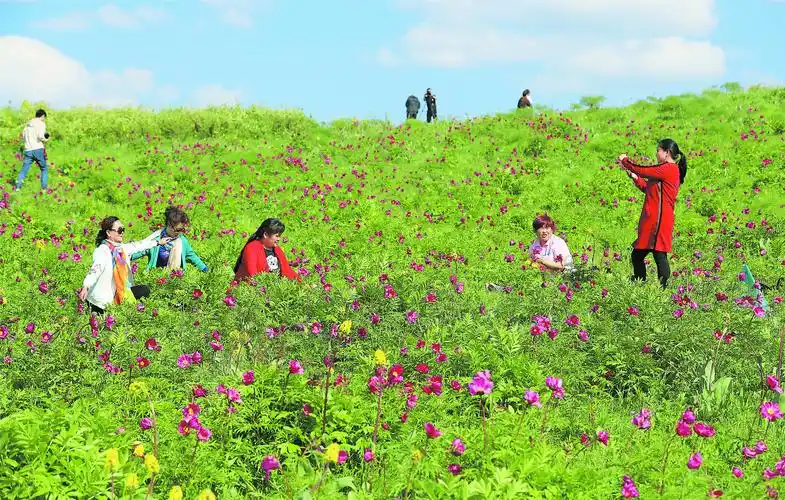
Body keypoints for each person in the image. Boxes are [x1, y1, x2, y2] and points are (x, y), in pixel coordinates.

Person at [617, 138, 688, 289]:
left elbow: (643, 170)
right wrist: (634, 176)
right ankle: (642, 285)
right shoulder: (666, 170)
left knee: (658, 255)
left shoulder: (668, 168)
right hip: (655, 220)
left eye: (658, 150)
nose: (656, 153)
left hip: (659, 221)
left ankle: (662, 289)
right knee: (640, 255)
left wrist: (625, 161)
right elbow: (648, 189)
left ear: (667, 152)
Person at [79, 216, 174, 315]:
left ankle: (124, 306)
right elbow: (95, 269)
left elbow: (138, 245)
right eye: (120, 230)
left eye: (123, 229)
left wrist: (158, 242)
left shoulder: (121, 248)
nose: (122, 233)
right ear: (108, 233)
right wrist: (86, 286)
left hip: (118, 293)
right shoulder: (103, 250)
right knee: (107, 315)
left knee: (144, 290)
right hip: (101, 302)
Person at [131, 206, 209, 273]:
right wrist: (126, 256)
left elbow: (192, 256)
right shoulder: (156, 239)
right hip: (155, 276)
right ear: (169, 225)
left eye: (181, 229)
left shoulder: (182, 241)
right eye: (177, 229)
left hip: (174, 278)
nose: (179, 232)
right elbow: (142, 250)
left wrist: (205, 269)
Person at [233, 218, 301, 282]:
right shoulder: (252, 248)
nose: (279, 239)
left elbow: (288, 271)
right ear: (265, 235)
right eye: (277, 236)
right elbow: (252, 274)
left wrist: (302, 283)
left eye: (280, 236)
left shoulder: (277, 249)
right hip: (252, 287)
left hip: (273, 287)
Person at [15, 109, 50, 191]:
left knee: (24, 169)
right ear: (42, 116)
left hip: (28, 150)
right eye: (44, 118)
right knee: (44, 168)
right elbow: (41, 136)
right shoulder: (41, 123)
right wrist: (46, 139)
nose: (44, 119)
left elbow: (23, 136)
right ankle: (44, 189)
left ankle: (18, 187)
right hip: (38, 149)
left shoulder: (27, 125)